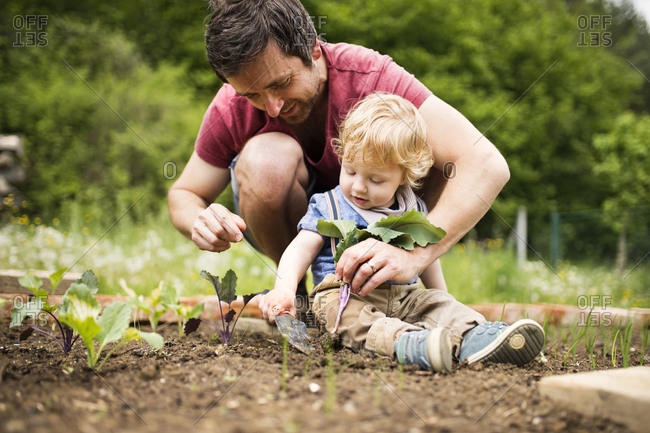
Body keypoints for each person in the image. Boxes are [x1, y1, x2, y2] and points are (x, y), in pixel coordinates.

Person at [167, 0, 510, 310]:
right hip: (300, 230)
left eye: (280, 83)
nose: (271, 107)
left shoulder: (371, 78)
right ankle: (295, 297)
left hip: (386, 222)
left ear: (314, 51)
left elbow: (486, 165)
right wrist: (200, 220)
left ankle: (403, 288)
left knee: (424, 150)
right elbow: (183, 194)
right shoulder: (231, 105)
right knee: (264, 159)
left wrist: (417, 254)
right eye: (252, 94)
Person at [258, 93, 545, 373]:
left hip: (405, 296)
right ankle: (408, 343)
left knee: (440, 307)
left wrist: (441, 298)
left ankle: (478, 338)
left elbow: (428, 256)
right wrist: (284, 288)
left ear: (404, 177)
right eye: (351, 170)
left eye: (376, 179)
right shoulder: (329, 205)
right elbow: (300, 249)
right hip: (344, 294)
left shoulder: (413, 210)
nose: (359, 186)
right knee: (343, 317)